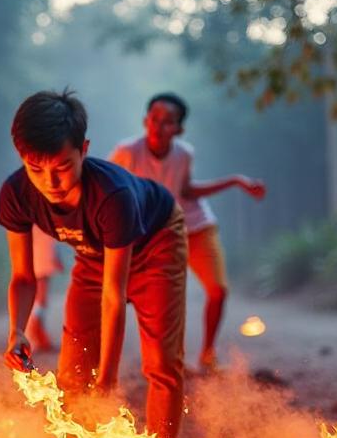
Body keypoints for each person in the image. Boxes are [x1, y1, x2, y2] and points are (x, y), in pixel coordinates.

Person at [0, 89, 188, 438]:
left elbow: (113, 296)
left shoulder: (112, 195)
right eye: (36, 169)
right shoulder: (16, 193)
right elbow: (23, 276)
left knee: (161, 363)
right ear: (22, 158)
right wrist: (17, 331)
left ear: (83, 150)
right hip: (94, 255)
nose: (50, 183)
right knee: (73, 371)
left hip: (157, 243)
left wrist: (108, 380)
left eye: (62, 167)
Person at [109, 93, 266, 373]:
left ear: (179, 129)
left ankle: (207, 355)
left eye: (168, 122)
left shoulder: (183, 153)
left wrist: (235, 181)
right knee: (146, 298)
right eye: (154, 119)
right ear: (145, 121)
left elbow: (186, 191)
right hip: (153, 235)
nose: (159, 126)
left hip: (195, 226)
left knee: (218, 290)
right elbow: (109, 188)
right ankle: (162, 362)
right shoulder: (127, 152)